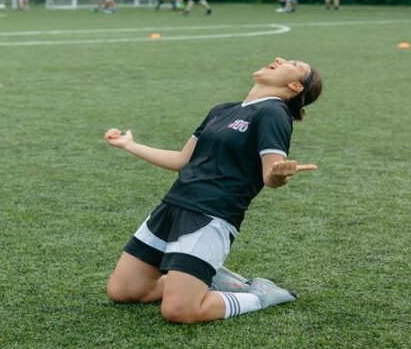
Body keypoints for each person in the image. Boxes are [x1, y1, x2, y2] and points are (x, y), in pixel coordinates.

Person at [104, 57, 323, 324]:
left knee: (179, 312)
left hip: (212, 215)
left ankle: (262, 295)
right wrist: (129, 145)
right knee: (123, 291)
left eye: (293, 63)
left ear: (295, 86)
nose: (279, 59)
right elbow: (181, 160)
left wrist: (280, 176)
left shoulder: (273, 113)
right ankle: (202, 276)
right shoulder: (222, 110)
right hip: (171, 206)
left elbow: (271, 174)